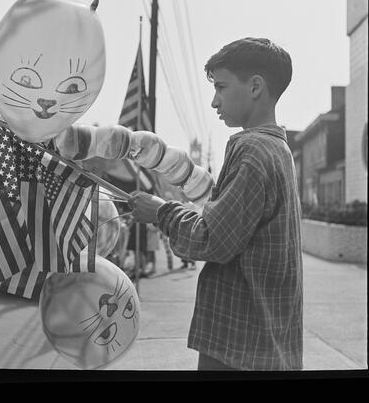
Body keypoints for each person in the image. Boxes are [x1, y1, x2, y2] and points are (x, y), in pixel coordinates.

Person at [130, 38, 303, 371]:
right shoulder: (278, 149)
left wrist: (160, 211)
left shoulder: (252, 149)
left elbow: (213, 239)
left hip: (239, 343)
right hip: (267, 339)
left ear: (255, 87)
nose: (214, 101)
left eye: (221, 87)